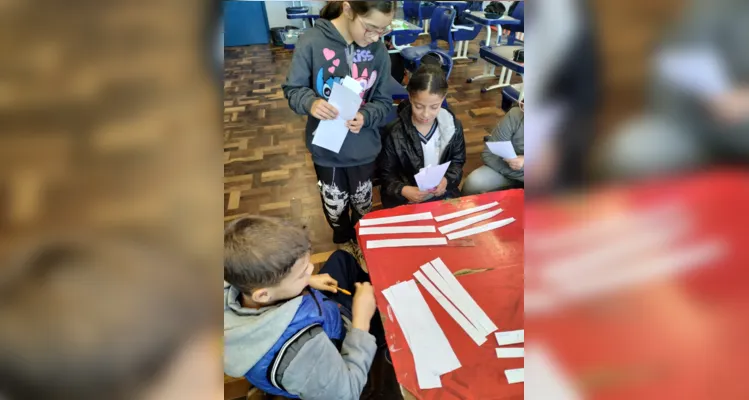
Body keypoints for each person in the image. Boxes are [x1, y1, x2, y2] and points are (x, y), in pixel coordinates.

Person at [224, 216, 397, 400]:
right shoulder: (300, 353)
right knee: (387, 333)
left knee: (341, 259)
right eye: (302, 273)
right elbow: (347, 393)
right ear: (263, 294)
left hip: (323, 313)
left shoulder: (239, 279)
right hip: (337, 351)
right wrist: (361, 321)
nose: (312, 268)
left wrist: (309, 280)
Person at [282, 1, 394, 256]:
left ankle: (362, 240)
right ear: (348, 9)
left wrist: (366, 116)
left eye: (383, 30)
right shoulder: (311, 41)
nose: (376, 37)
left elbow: (384, 101)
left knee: (363, 202)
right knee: (335, 204)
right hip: (327, 150)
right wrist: (310, 103)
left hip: (363, 149)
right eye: (370, 27)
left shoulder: (377, 50)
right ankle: (344, 242)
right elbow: (293, 90)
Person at [379, 64, 466, 208]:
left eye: (434, 107)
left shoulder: (452, 126)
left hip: (441, 193)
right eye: (419, 106)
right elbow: (386, 174)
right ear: (410, 98)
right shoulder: (395, 132)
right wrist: (404, 190)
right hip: (405, 199)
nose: (426, 114)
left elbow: (457, 162)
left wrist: (446, 180)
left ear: (443, 98)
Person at [462, 103, 525, 195]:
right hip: (508, 170)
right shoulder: (515, 114)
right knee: (473, 183)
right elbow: (489, 154)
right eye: (523, 105)